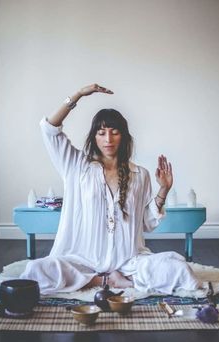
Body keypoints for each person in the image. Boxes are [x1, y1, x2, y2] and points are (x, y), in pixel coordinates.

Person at [20, 83, 201, 295]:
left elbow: (146, 223)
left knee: (178, 268)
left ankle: (115, 278)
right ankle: (102, 280)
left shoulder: (139, 174)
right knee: (35, 271)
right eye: (101, 132)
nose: (108, 139)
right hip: (82, 261)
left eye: (114, 132)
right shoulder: (76, 165)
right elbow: (49, 129)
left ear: (123, 136)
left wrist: (164, 190)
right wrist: (78, 95)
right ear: (94, 136)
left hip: (129, 263)